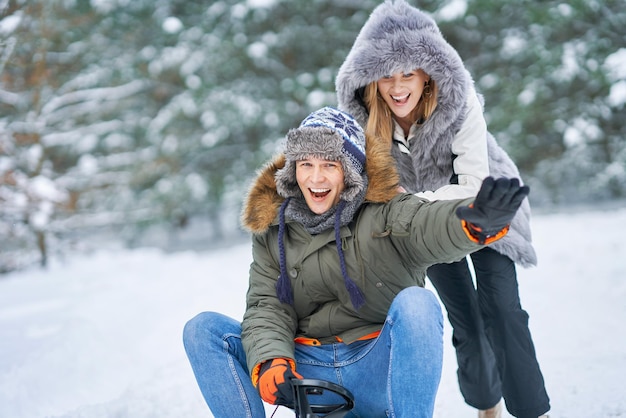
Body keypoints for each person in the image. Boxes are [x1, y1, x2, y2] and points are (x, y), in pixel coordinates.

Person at [183, 106, 530, 418]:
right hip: (309, 368)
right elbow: (267, 305)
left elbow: (429, 225)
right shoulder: (275, 228)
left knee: (418, 302)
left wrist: (472, 222)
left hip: (376, 365)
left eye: (328, 166)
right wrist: (272, 362)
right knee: (204, 330)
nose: (315, 179)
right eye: (306, 165)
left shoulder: (386, 211)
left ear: (349, 172)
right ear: (293, 170)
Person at [335, 1, 550, 418]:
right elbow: (370, 195)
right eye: (386, 75)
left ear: (428, 75)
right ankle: (487, 405)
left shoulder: (461, 104)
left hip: (487, 207)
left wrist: (407, 201)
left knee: (502, 311)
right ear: (370, 79)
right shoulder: (367, 125)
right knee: (465, 319)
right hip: (425, 228)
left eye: (408, 74)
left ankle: (531, 411)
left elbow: (472, 185)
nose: (397, 87)